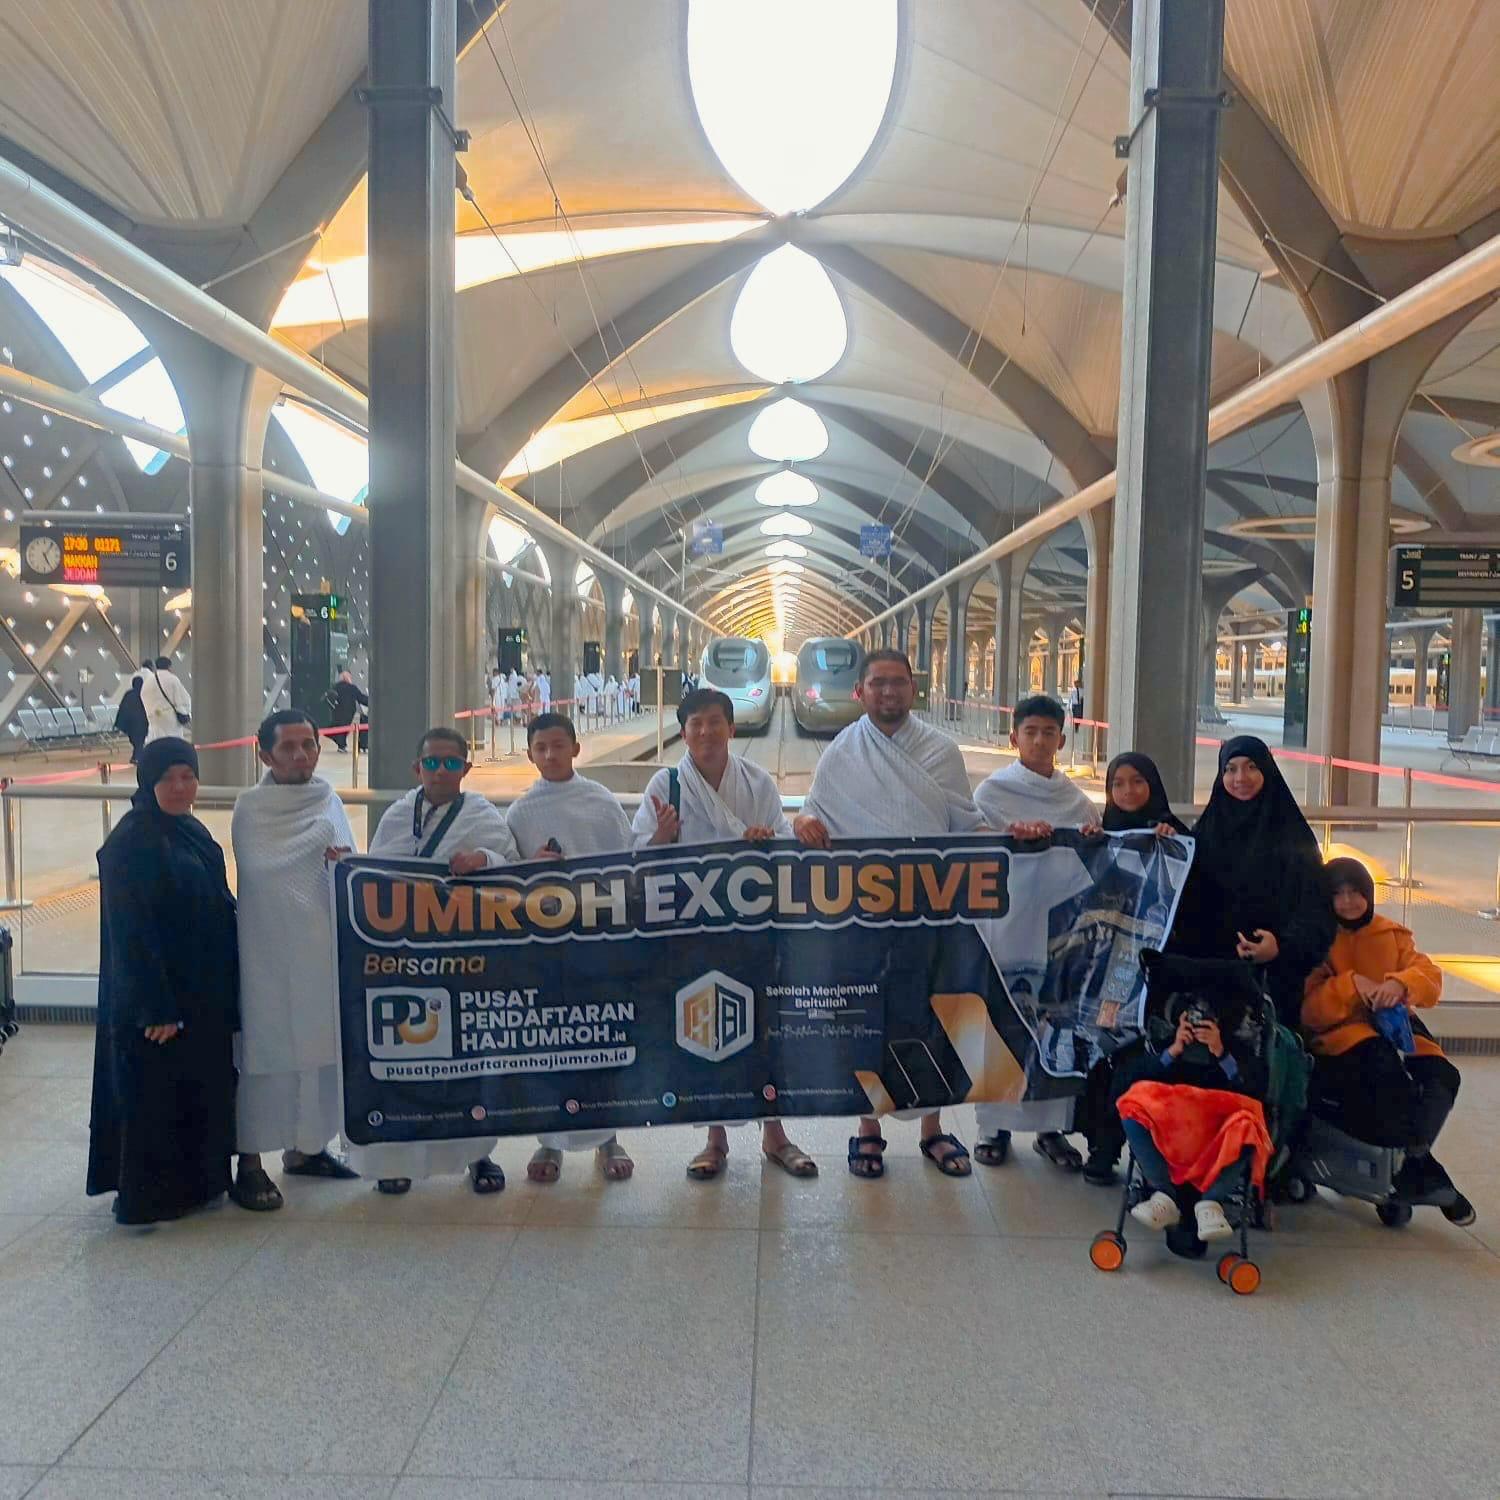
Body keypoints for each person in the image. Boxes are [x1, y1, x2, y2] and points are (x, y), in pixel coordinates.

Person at [794, 649, 982, 1181]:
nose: (888, 691)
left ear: (914, 689)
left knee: (932, 1013)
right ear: (861, 692)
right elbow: (814, 811)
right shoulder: (841, 751)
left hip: (930, 912)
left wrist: (1015, 838)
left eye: (898, 682)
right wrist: (802, 820)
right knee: (866, 1017)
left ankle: (933, 1128)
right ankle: (868, 1128)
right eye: (878, 683)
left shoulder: (942, 751)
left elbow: (967, 825)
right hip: (864, 915)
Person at [632, 687, 817, 1182]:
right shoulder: (667, 784)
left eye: (715, 722)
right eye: (696, 724)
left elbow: (781, 843)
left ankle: (775, 1134)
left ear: (731, 728)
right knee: (708, 1029)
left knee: (764, 1028)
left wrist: (764, 843)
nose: (706, 732)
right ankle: (715, 1138)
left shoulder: (756, 781)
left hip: (753, 930)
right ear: (683, 732)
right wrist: (660, 837)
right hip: (693, 932)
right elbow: (637, 857)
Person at [357, 727, 518, 1195]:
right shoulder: (397, 814)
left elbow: (512, 864)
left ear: (466, 768)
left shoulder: (482, 814)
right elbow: (375, 871)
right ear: (417, 768)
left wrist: (482, 859)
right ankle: (398, 1156)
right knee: (404, 1057)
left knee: (467, 1056)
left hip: (465, 957)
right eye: (432, 762)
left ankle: (477, 1155)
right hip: (404, 959)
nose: (441, 771)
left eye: (451, 763)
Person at [87, 739, 239, 1226]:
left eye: (188, 777)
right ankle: (150, 1196)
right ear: (147, 782)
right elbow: (130, 933)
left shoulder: (189, 830)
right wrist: (155, 1007)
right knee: (155, 1097)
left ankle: (198, 1185)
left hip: (199, 992)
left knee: (195, 1090)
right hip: (157, 1000)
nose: (180, 787)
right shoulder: (129, 843)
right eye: (168, 778)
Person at [230, 710, 359, 1212]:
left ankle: (306, 1149)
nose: (302, 755)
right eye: (289, 747)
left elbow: (348, 867)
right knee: (266, 1055)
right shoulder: (251, 809)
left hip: (320, 953)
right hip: (267, 954)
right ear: (265, 754)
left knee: (319, 1051)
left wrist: (344, 866)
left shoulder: (329, 799)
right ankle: (250, 1162)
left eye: (309, 745)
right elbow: (262, 870)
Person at [970, 694, 1102, 1172]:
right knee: (1004, 1021)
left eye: (1049, 732)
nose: (1040, 740)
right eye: (1031, 732)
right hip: (1007, 928)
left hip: (1058, 936)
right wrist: (1009, 836)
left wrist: (1091, 842)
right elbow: (974, 847)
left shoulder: (1076, 800)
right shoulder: (992, 793)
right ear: (1014, 738)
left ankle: (1052, 1130)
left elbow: (1096, 860)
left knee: (1056, 1023)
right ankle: (993, 1129)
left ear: (1062, 741)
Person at [1302, 858, 1473, 1223]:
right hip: (1344, 1032)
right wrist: (1351, 985)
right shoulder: (1317, 938)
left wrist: (1400, 983)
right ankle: (1421, 1171)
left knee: (1443, 1076)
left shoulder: (1391, 934)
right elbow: (1310, 1011)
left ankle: (1412, 1164)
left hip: (1395, 1026)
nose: (1348, 902)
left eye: (1355, 892)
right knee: (1384, 1067)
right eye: (1338, 894)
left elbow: (1428, 974)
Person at [507, 711, 638, 1183]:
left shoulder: (601, 801)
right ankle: (550, 1139)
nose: (550, 755)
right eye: (540, 748)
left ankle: (608, 1136)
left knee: (601, 1039)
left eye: (558, 745)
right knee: (550, 1042)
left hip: (599, 938)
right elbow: (508, 876)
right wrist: (531, 866)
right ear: (530, 755)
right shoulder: (520, 812)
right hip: (546, 946)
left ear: (576, 749)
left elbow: (627, 862)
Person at [1073, 750, 1193, 1186]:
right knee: (1108, 1054)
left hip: (1158, 971)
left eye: (1137, 781)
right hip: (1113, 971)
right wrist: (1088, 847)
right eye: (1117, 784)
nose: (1127, 791)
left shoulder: (1176, 838)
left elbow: (1188, 900)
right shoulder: (1102, 835)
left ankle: (1151, 1152)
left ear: (1153, 785)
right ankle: (1102, 1146)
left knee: (1149, 1059)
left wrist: (1170, 847)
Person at [1173, 735, 1334, 1027]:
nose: (1240, 778)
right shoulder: (1207, 833)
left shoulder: (1294, 837)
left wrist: (1281, 947)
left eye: (1251, 767)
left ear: (1267, 771)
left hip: (1273, 983)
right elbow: (1185, 899)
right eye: (1230, 769)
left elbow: (1315, 911)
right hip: (1212, 977)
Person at [1115, 970, 1272, 1245]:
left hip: (1219, 1139)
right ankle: (1164, 1195)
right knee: (1133, 1102)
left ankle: (1211, 1202)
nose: (1200, 1022)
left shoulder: (1238, 1046)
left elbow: (1256, 1091)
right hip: (1172, 1137)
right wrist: (1173, 1050)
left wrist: (1220, 1051)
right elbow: (1128, 1084)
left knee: (1251, 1125)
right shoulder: (1167, 1040)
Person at [140, 655, 191, 743]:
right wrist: (185, 712)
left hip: (153, 718)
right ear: (169, 666)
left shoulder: (148, 681)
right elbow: (183, 699)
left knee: (156, 741)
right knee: (173, 741)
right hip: (170, 718)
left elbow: (143, 697)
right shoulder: (172, 679)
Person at [324, 668, 368, 752]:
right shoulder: (352, 688)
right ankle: (342, 746)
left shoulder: (335, 687)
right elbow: (361, 698)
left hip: (337, 711)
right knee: (344, 728)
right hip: (348, 712)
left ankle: (341, 745)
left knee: (338, 727)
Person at [115, 673, 149, 764]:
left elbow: (123, 708)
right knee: (140, 740)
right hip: (143, 722)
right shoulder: (145, 694)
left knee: (135, 741)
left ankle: (136, 757)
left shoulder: (128, 694)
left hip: (130, 723)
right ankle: (137, 757)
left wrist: (121, 722)